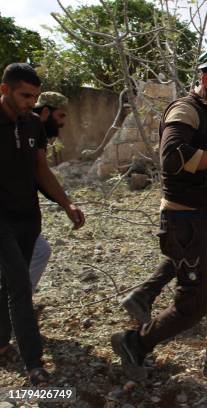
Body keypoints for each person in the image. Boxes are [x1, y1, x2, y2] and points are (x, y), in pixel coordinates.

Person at [111, 51, 207, 380]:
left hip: (205, 217)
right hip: (184, 221)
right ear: (206, 80)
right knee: (193, 303)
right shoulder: (185, 110)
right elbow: (173, 159)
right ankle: (135, 343)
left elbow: (206, 155)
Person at [0, 63, 84, 385]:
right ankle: (34, 362)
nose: (30, 103)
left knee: (9, 284)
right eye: (24, 95)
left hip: (28, 218)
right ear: (5, 89)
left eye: (34, 97)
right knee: (20, 283)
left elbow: (41, 171)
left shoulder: (34, 124)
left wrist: (67, 203)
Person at [29, 91, 70, 292]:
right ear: (46, 111)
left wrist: (66, 203)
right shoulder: (27, 127)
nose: (62, 123)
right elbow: (41, 172)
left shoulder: (33, 130)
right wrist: (67, 204)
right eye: (60, 116)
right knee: (39, 252)